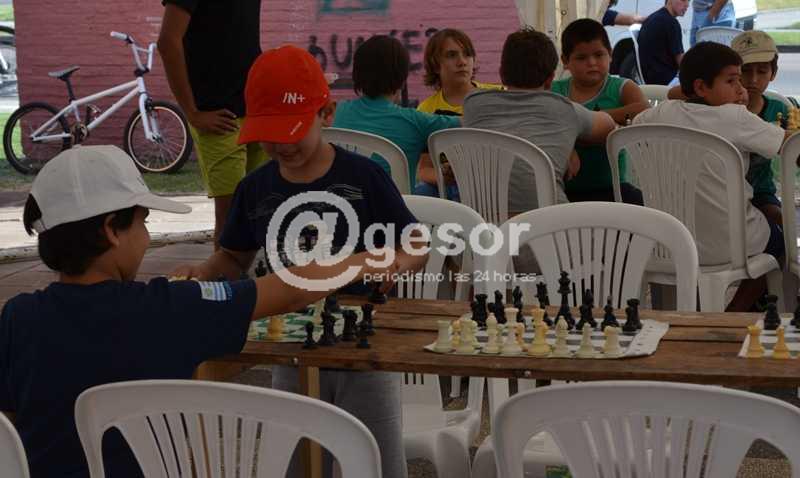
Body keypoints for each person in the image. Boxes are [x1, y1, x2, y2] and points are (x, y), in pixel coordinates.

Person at [0, 145, 405, 478]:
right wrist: (366, 260)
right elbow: (289, 292)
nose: (146, 237)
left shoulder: (18, 318)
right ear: (111, 229)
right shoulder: (170, 309)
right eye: (142, 223)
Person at [172, 45, 429, 478]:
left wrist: (399, 261)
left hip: (365, 352)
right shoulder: (255, 188)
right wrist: (203, 273)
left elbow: (417, 242)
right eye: (268, 134)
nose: (279, 145)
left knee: (375, 461)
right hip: (290, 346)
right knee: (298, 463)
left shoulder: (365, 177)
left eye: (290, 131)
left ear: (326, 114)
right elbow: (233, 257)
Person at [633, 41, 794, 311]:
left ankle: (682, 310)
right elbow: (790, 145)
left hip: (667, 241)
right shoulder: (736, 117)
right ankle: (734, 313)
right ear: (700, 87)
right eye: (731, 81)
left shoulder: (661, 112)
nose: (741, 89)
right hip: (728, 245)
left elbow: (633, 125)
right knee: (781, 242)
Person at [462, 28, 616, 214]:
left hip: (482, 222)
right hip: (548, 222)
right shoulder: (564, 109)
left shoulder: (473, 105)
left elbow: (511, 130)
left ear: (502, 74)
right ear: (550, 80)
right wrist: (568, 140)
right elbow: (608, 126)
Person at [158, 0, 269, 250]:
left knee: (259, 208)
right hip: (218, 115)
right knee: (230, 217)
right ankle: (224, 275)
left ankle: (252, 274)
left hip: (257, 108)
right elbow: (167, 42)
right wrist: (192, 112)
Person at [333, 35, 461, 192]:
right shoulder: (416, 121)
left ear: (356, 73)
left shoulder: (336, 112)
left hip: (343, 204)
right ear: (402, 77)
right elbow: (475, 123)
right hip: (394, 206)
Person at [552, 18, 648, 204]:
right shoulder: (556, 91)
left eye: (598, 55)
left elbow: (643, 110)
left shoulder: (621, 87)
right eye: (581, 58)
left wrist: (589, 120)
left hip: (613, 188)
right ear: (565, 61)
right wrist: (569, 146)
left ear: (610, 54)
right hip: (564, 190)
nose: (592, 62)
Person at [731, 30, 788, 227]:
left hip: (761, 193)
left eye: (762, 71)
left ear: (773, 73)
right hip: (725, 194)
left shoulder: (780, 110)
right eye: (745, 71)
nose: (753, 79)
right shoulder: (721, 109)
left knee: (782, 224)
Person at [637, 0, 689, 86]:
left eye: (689, 1)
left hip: (649, 79)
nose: (687, 5)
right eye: (683, 0)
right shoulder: (671, 23)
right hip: (666, 80)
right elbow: (681, 61)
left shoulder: (651, 18)